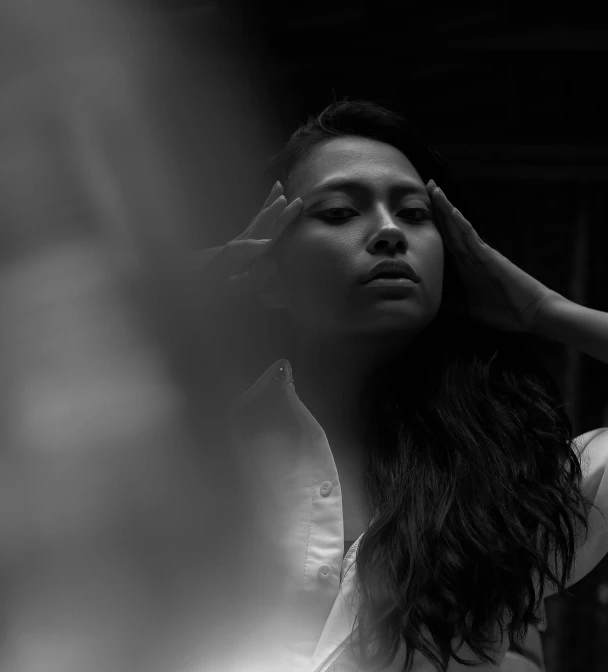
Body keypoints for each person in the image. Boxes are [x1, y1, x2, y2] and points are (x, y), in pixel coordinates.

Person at [197, 100, 608, 672]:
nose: (390, 231)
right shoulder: (178, 460)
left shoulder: (525, 487)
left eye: (415, 213)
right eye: (340, 213)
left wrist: (548, 310)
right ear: (266, 275)